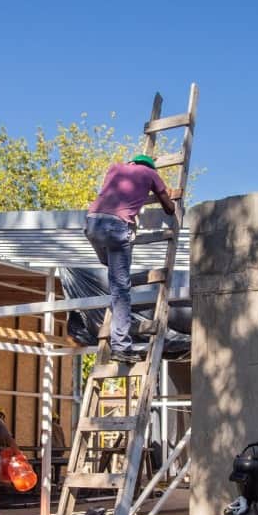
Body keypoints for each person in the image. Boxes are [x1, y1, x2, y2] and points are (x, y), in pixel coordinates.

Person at [84, 153, 176, 363]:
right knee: (121, 289)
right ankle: (121, 347)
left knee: (112, 268)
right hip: (116, 227)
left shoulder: (115, 168)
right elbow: (169, 209)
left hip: (92, 223)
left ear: (132, 162)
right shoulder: (150, 174)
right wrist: (167, 195)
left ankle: (117, 275)